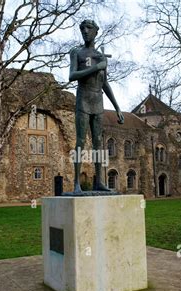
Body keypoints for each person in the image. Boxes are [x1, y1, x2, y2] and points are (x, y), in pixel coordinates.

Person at [69, 19, 124, 194]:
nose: (85, 31)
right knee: (80, 141)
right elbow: (72, 76)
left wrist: (117, 107)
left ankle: (99, 181)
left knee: (98, 143)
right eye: (82, 28)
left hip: (98, 101)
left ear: (95, 32)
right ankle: (77, 182)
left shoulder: (101, 56)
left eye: (89, 28)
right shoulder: (76, 53)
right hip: (83, 99)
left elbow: (105, 83)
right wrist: (95, 68)